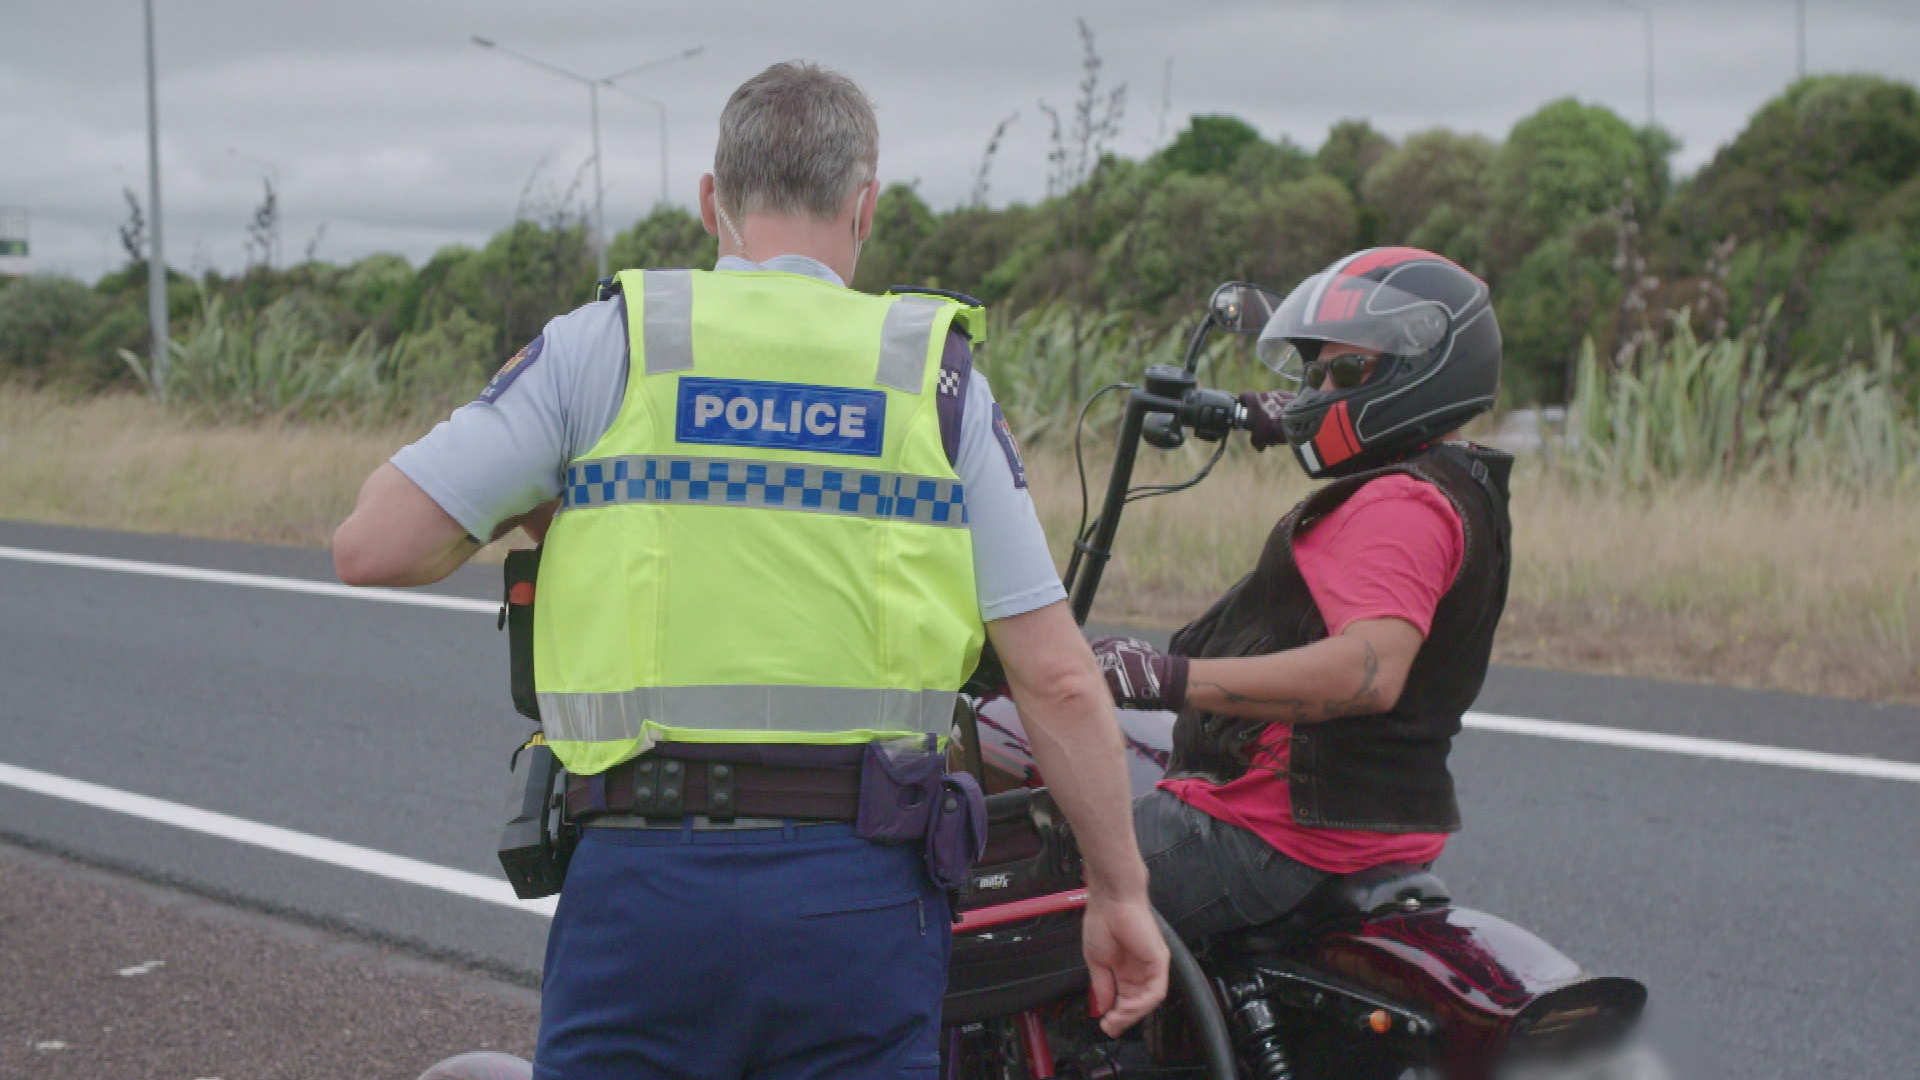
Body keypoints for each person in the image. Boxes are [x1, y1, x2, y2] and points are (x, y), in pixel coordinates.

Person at [335, 61, 1165, 1080]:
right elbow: (1059, 678)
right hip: (860, 891)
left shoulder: (611, 345)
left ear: (711, 202)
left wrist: (544, 505)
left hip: (642, 887)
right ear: (867, 205)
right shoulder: (931, 378)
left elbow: (372, 545)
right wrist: (1119, 895)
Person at [1088, 247, 1512, 941]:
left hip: (1271, 838)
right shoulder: (1455, 482)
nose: (1319, 390)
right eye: (1312, 374)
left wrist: (1163, 678)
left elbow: (1366, 672)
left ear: (1424, 374)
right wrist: (1263, 413)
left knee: (1024, 876)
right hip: (1375, 825)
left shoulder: (1400, 507)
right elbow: (1345, 416)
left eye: (1342, 372)